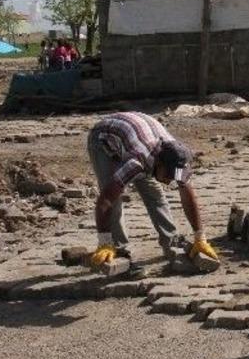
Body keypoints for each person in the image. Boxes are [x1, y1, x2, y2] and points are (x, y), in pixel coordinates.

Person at [87, 112, 219, 273]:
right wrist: (104, 241)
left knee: (156, 195)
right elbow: (106, 200)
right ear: (159, 163)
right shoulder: (136, 162)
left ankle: (171, 242)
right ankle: (118, 250)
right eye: (168, 176)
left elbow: (186, 192)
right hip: (104, 137)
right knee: (115, 197)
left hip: (137, 135)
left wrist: (200, 237)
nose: (169, 181)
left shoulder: (176, 156)